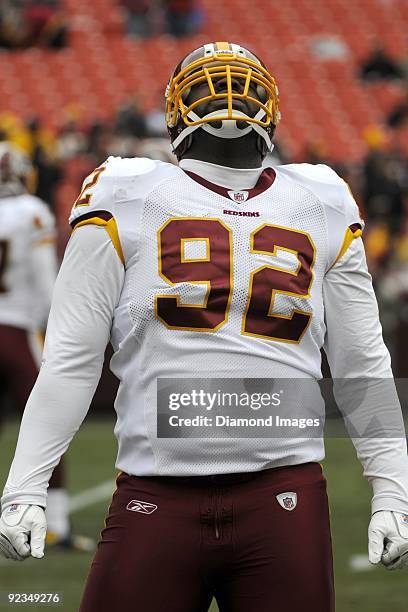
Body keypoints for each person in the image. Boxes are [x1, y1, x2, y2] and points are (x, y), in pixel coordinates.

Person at [1, 42, 408, 611]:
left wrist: (395, 490)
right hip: (175, 493)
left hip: (274, 489)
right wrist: (392, 490)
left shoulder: (131, 189)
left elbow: (362, 361)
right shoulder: (317, 198)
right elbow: (73, 356)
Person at [0, 142, 92, 552]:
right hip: (17, 329)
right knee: (48, 422)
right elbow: (44, 278)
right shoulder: (32, 211)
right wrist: (51, 322)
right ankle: (54, 525)